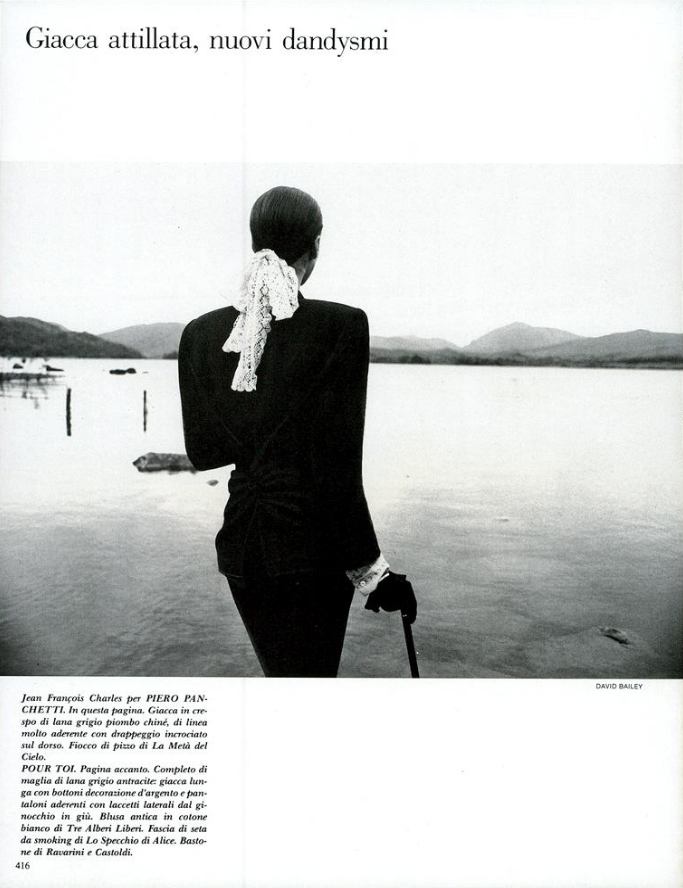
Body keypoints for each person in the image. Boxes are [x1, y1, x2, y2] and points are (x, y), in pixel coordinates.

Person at [178, 186, 416, 677]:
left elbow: (203, 453)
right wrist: (375, 574)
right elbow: (338, 471)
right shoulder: (342, 326)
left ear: (254, 242)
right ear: (316, 246)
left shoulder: (199, 335)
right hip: (313, 556)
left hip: (241, 551)